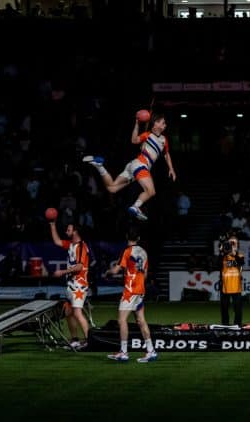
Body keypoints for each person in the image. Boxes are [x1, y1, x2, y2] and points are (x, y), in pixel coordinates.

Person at [83, 113, 177, 221]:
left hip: (133, 167)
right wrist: (137, 124)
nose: (165, 125)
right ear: (155, 124)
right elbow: (134, 140)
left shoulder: (164, 140)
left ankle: (99, 166)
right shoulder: (147, 135)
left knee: (112, 188)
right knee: (151, 191)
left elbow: (166, 154)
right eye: (163, 122)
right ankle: (136, 206)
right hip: (140, 165)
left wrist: (171, 169)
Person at [104, 227, 158, 363]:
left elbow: (116, 270)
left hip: (130, 291)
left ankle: (123, 352)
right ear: (138, 238)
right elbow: (145, 274)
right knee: (141, 321)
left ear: (127, 237)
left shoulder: (127, 251)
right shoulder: (144, 252)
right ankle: (151, 351)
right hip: (140, 290)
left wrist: (107, 272)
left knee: (121, 320)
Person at [49, 221, 91, 349]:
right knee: (68, 312)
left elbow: (79, 267)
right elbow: (57, 241)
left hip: (79, 285)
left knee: (77, 313)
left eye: (69, 229)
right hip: (72, 285)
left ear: (75, 231)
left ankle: (91, 341)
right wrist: (52, 224)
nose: (66, 231)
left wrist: (62, 271)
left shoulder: (81, 247)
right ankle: (75, 340)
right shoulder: (71, 245)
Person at [219, 234, 244, 326]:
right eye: (231, 243)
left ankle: (237, 326)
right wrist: (222, 251)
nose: (233, 244)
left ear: (237, 245)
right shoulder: (224, 257)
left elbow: (241, 263)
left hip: (236, 287)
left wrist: (234, 253)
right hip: (225, 287)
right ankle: (225, 326)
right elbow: (217, 264)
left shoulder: (240, 255)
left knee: (238, 309)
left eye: (234, 243)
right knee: (224, 309)